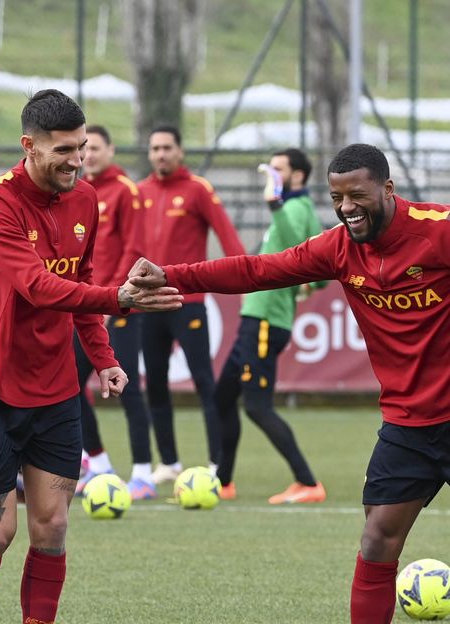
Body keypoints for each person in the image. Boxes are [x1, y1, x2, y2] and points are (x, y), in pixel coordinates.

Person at [129, 143, 450, 624]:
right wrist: (174, 275)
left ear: (388, 190)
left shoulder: (446, 230)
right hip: (407, 424)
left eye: (357, 196)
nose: (346, 208)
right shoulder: (339, 248)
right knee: (376, 540)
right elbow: (259, 270)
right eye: (336, 198)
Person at [0, 89, 181, 624]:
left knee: (51, 527)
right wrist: (117, 300)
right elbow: (36, 286)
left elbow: (78, 282)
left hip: (52, 389)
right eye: (64, 150)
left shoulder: (87, 200)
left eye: (82, 149)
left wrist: (103, 358)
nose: (77, 161)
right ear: (30, 147)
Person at [214, 148, 325, 503]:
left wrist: (275, 204)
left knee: (257, 406)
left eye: (279, 170)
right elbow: (322, 269)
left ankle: (308, 483)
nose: (272, 176)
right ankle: (223, 482)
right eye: (270, 170)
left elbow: (298, 246)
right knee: (222, 397)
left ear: (298, 177)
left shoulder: (293, 208)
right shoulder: (300, 209)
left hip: (264, 322)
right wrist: (307, 284)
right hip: (256, 319)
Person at [138, 126, 247, 489]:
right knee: (154, 384)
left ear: (180, 151)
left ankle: (217, 463)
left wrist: (247, 276)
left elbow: (226, 233)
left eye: (167, 147)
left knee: (205, 382)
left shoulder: (198, 189)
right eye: (155, 148)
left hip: (188, 301)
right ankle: (168, 461)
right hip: (149, 304)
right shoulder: (141, 192)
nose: (161, 154)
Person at [72, 124, 155, 499]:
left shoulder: (125, 191)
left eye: (96, 149)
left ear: (112, 150)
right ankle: (99, 463)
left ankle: (143, 473)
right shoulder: (78, 191)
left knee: (129, 387)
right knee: (70, 385)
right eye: (85, 149)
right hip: (86, 305)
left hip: (119, 306)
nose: (89, 155)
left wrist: (116, 298)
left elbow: (133, 248)